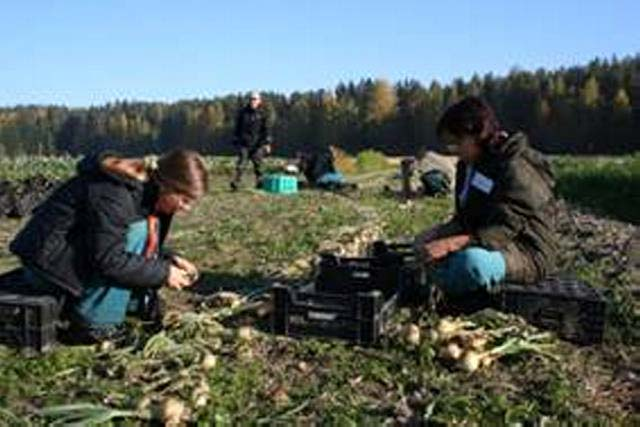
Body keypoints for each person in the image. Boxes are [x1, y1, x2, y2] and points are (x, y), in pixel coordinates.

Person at [8, 149, 209, 342]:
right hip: (48, 266)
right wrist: (164, 273)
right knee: (138, 231)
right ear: (166, 185)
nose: (186, 208)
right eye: (184, 200)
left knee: (142, 229)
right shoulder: (113, 194)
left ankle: (123, 303)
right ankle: (93, 323)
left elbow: (109, 237)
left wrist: (169, 258)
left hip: (72, 257)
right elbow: (108, 259)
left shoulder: (144, 191)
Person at [416, 97, 556, 298]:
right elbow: (466, 219)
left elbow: (502, 230)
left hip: (525, 251)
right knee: (423, 244)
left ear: (477, 134)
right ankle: (440, 284)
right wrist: (435, 234)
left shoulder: (516, 168)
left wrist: (448, 244)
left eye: (457, 143)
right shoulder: (468, 166)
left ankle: (440, 296)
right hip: (483, 240)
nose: (452, 150)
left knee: (471, 264)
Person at [230, 91, 272, 190]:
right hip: (244, 144)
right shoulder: (242, 113)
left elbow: (267, 130)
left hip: (258, 144)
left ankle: (260, 183)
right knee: (241, 164)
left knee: (259, 166)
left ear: (259, 101)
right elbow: (237, 128)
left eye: (255, 99)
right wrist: (235, 139)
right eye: (251, 99)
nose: (252, 101)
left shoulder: (263, 114)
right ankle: (236, 183)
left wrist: (267, 143)